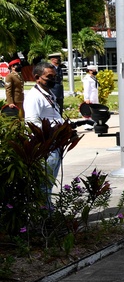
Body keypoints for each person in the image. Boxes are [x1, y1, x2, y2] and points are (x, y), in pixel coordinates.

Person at [23, 62, 67, 202]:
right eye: (49, 76)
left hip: (55, 144)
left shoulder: (48, 93)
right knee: (44, 185)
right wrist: (51, 134)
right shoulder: (33, 97)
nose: (53, 79)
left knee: (49, 183)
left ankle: (47, 214)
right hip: (46, 147)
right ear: (37, 77)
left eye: (54, 76)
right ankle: (45, 217)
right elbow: (31, 122)